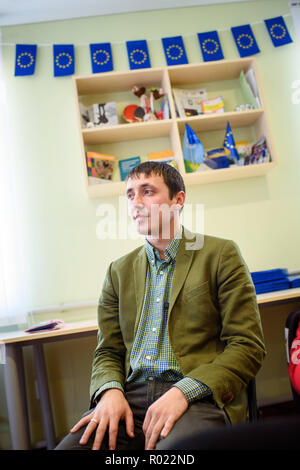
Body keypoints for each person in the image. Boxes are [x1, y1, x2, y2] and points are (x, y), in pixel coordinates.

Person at [56, 161, 266, 451]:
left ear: (178, 200)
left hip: (195, 396)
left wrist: (184, 391)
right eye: (130, 194)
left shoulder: (220, 254)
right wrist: (109, 391)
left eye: (147, 191)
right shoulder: (117, 271)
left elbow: (247, 345)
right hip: (129, 398)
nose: (136, 203)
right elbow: (108, 351)